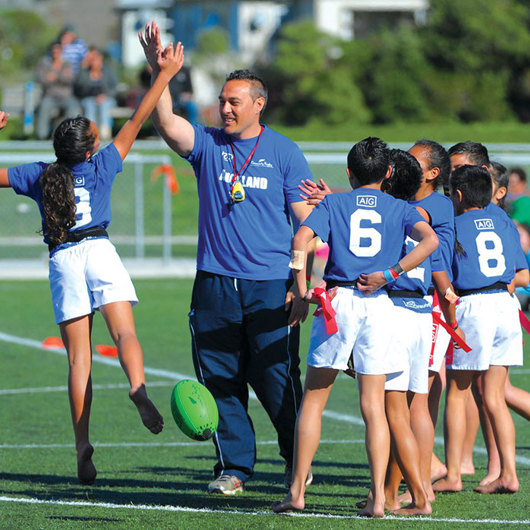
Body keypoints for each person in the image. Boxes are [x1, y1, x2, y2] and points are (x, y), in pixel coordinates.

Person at [139, 22, 314, 495]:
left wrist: (302, 287)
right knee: (219, 378)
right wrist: (161, 76)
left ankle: (297, 463)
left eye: (235, 101)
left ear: (259, 104)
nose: (226, 108)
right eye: (222, 100)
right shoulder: (209, 145)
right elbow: (167, 123)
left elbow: (308, 225)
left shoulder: (284, 152)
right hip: (214, 282)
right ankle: (234, 467)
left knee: (277, 379)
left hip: (271, 283)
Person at [0, 41, 184, 485]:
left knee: (78, 361)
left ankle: (82, 443)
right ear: (88, 151)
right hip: (100, 251)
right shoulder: (102, 165)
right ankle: (138, 388)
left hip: (63, 259)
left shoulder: (40, 174)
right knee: (124, 333)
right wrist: (164, 73)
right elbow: (139, 118)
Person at [273, 137, 438, 518]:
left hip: (340, 302)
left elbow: (301, 238)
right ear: (390, 172)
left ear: (348, 172)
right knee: (373, 409)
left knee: (314, 401)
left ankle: (297, 492)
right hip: (379, 304)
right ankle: (380, 500)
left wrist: (301, 289)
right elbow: (429, 240)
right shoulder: (400, 206)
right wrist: (391, 273)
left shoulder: (335, 202)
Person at [433, 165, 523, 494]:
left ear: (456, 195)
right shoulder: (503, 221)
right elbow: (516, 269)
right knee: (495, 397)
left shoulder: (452, 225)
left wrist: (451, 319)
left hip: (474, 306)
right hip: (505, 304)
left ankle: (454, 473)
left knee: (458, 393)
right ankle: (509, 474)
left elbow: (443, 275)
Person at [35, 42, 81, 140]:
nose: (55, 53)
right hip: (50, 96)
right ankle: (41, 136)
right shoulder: (44, 64)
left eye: (57, 51)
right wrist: (60, 76)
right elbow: (41, 79)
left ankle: (68, 136)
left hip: (66, 97)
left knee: (74, 108)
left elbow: (70, 79)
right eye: (53, 51)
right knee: (44, 106)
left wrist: (54, 76)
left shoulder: (67, 64)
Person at [74, 48, 118, 141]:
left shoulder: (108, 71)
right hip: (89, 98)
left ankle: (105, 132)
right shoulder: (84, 72)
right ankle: (91, 132)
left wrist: (105, 95)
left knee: (104, 105)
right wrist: (87, 74)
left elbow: (114, 88)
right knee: (89, 105)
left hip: (106, 98)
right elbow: (80, 88)